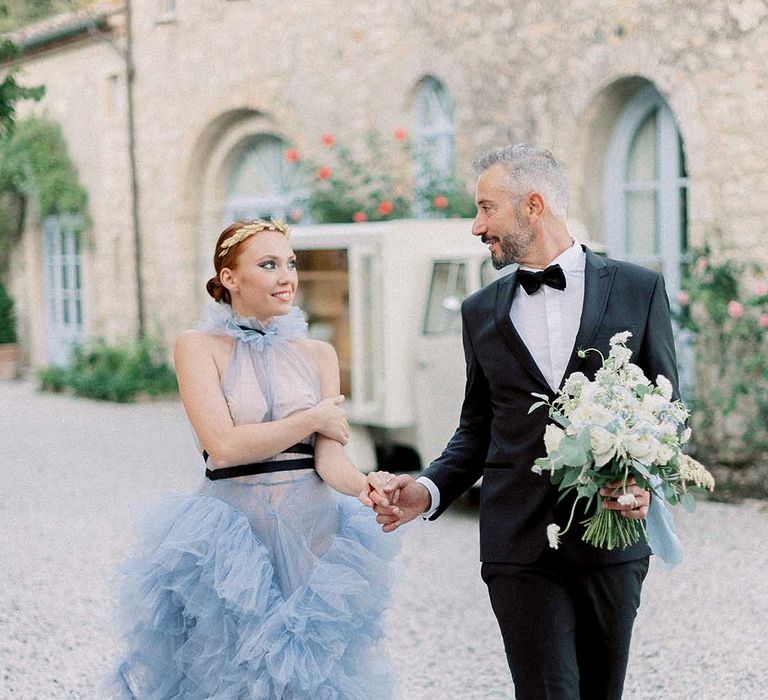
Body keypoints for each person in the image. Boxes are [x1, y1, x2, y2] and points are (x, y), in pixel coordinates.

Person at [372, 144, 681, 700]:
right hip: (517, 545)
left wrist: (642, 485)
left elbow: (667, 414)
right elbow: (476, 429)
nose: (476, 226)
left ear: (533, 206)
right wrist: (425, 490)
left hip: (609, 541)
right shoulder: (479, 312)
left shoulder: (640, 289)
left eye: (487, 209)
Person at [107, 219, 400, 699]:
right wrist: (313, 418)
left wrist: (365, 486)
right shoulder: (197, 348)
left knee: (311, 674)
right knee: (229, 673)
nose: (287, 276)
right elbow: (223, 445)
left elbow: (330, 461)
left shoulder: (319, 354)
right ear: (229, 278)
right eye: (268, 265)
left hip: (313, 533)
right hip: (230, 543)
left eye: (290, 263)